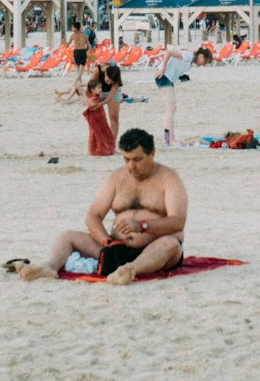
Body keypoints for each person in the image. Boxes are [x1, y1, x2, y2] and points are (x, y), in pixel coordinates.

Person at [16, 127, 187, 286]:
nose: (131, 166)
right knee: (66, 236)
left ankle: (130, 270)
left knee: (170, 244)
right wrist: (105, 241)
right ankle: (49, 266)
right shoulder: (117, 177)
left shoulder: (169, 178)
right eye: (126, 159)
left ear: (152, 154)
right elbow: (94, 216)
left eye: (137, 159)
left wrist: (143, 226)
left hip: (154, 248)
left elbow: (177, 222)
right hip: (115, 248)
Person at [154, 45, 204, 146]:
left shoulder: (189, 62)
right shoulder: (189, 56)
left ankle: (169, 138)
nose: (203, 65)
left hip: (168, 78)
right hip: (163, 77)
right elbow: (169, 52)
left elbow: (176, 64)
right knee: (170, 108)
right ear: (201, 56)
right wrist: (162, 69)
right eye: (205, 62)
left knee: (171, 108)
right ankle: (168, 139)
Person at [82, 71, 116, 156]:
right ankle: (99, 150)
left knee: (100, 133)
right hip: (96, 120)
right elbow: (90, 110)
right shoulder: (93, 99)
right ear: (92, 90)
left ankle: (100, 149)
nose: (100, 90)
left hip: (101, 119)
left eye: (101, 88)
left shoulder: (95, 97)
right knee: (97, 134)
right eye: (98, 88)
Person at [99, 61, 122, 140]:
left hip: (113, 93)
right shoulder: (98, 70)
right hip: (99, 90)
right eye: (108, 80)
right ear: (105, 73)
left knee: (114, 118)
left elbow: (109, 98)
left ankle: (112, 142)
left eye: (111, 82)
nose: (108, 83)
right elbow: (91, 85)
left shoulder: (116, 77)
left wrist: (100, 104)